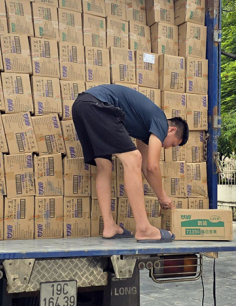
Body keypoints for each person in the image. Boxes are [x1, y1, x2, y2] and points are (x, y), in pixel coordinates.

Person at [71, 84, 188, 242]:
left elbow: (146, 168)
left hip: (81, 106)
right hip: (97, 105)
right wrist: (162, 197)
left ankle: (109, 226)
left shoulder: (145, 128)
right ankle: (144, 228)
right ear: (172, 130)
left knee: (104, 166)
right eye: (172, 144)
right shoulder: (160, 121)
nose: (166, 147)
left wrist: (163, 197)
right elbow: (152, 166)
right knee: (133, 159)